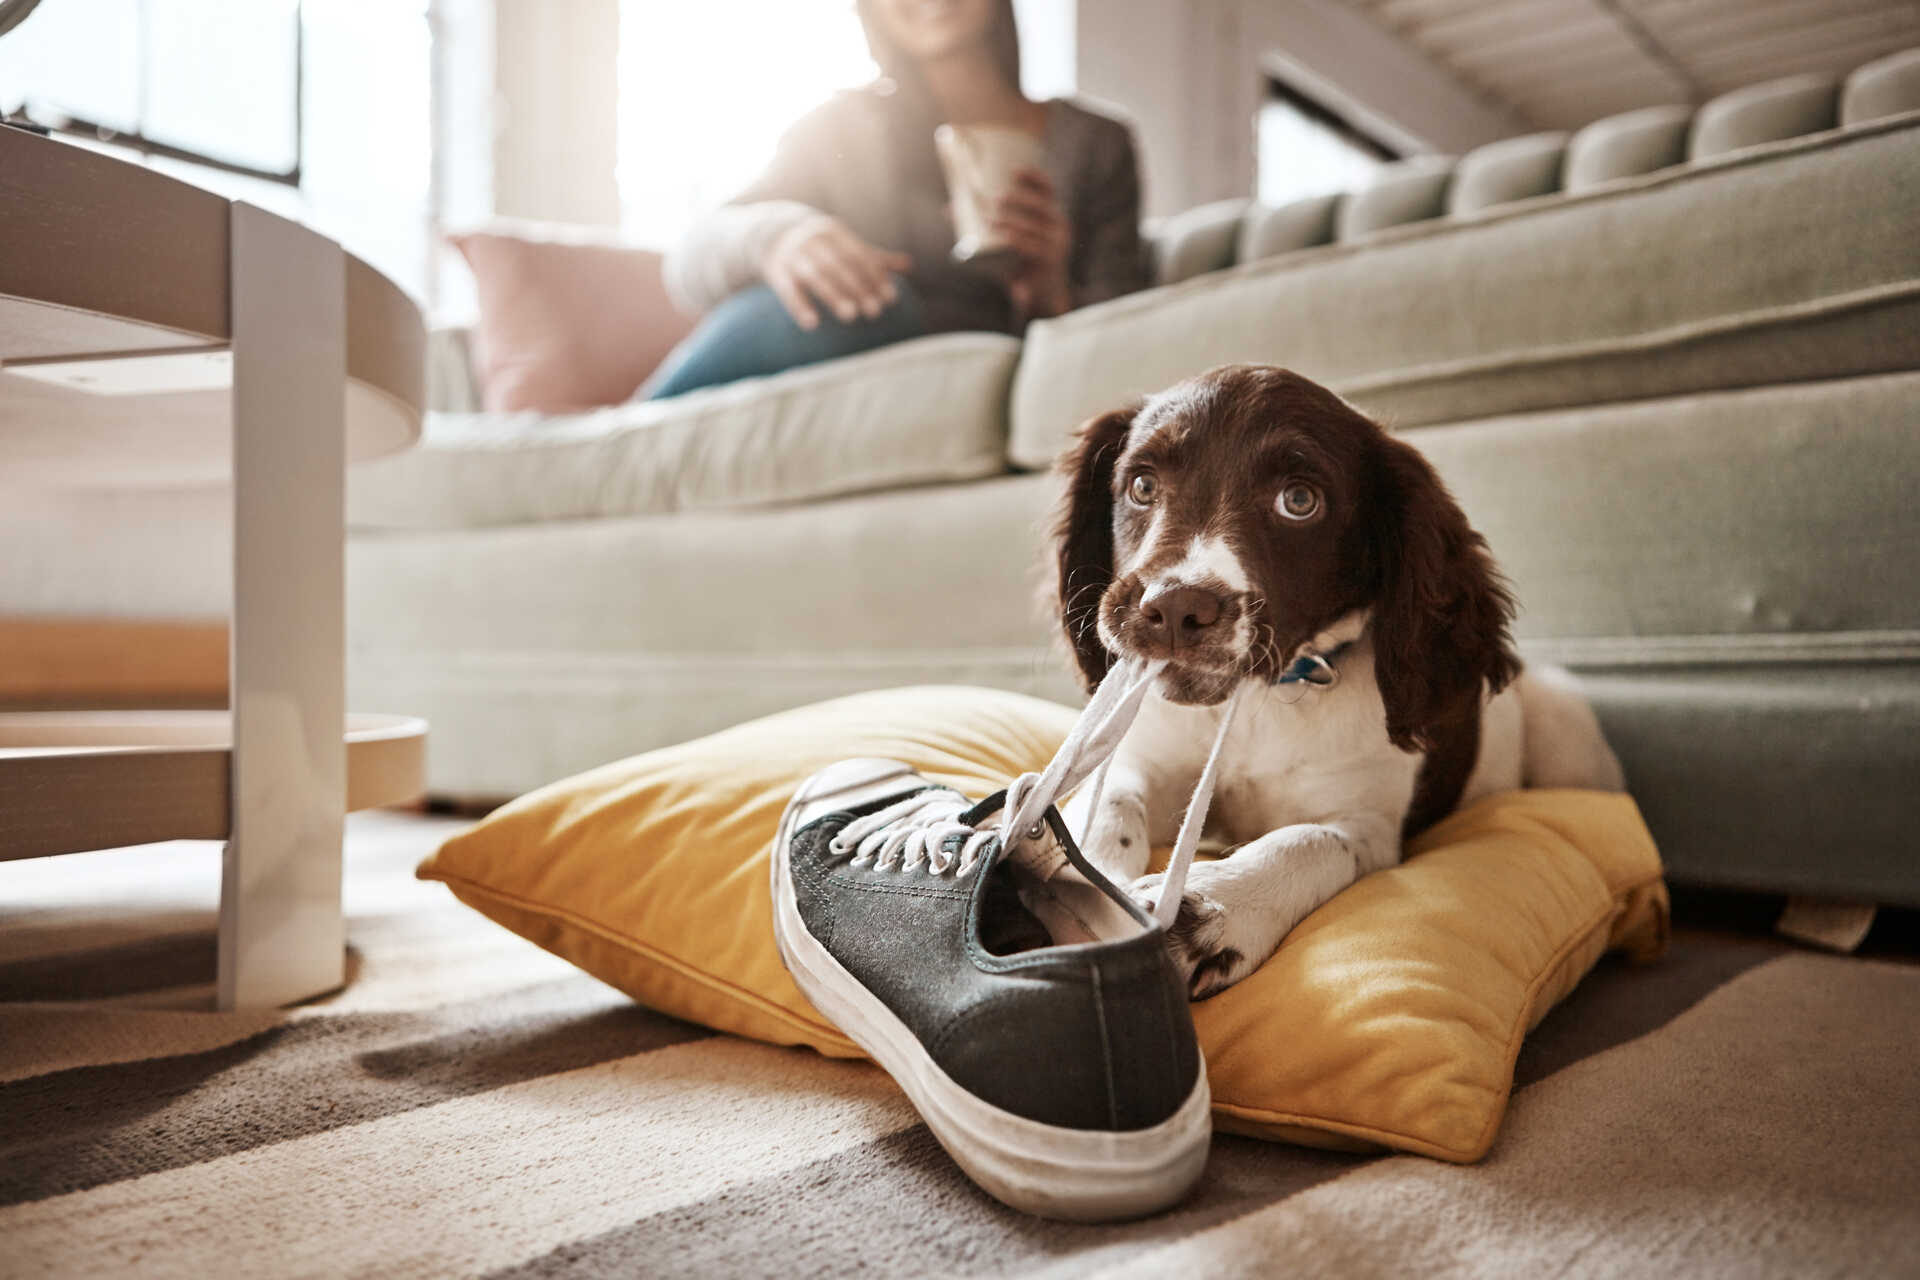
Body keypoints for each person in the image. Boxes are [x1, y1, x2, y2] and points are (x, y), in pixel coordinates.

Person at [645, 0, 1148, 399]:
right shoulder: (839, 128)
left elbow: (1125, 347)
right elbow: (690, 262)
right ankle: (622, 437)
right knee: (869, 302)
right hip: (843, 366)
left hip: (992, 367)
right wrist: (780, 237)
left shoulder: (1095, 143)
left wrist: (1049, 293)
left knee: (883, 306)